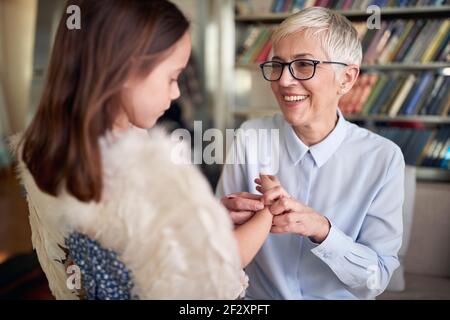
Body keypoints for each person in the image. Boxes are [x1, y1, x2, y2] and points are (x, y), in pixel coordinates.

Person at [11, 0, 274, 300]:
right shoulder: (146, 170)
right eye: (172, 77)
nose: (176, 92)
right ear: (125, 70)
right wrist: (267, 213)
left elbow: (138, 244)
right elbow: (211, 276)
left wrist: (202, 222)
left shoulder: (50, 150)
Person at [217, 7, 405, 300]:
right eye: (277, 65)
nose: (283, 81)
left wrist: (323, 231)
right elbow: (217, 250)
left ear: (347, 78)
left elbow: (375, 278)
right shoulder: (249, 137)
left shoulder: (383, 158)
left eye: (304, 64)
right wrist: (225, 219)